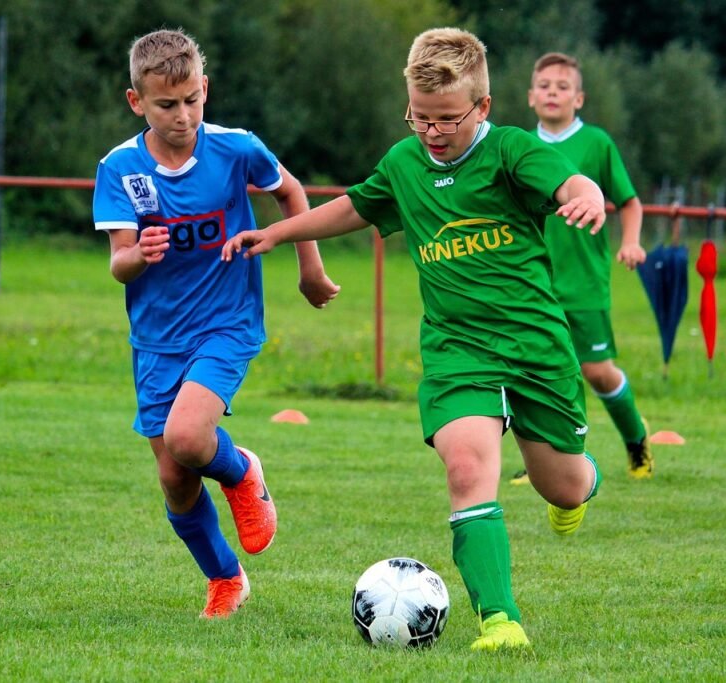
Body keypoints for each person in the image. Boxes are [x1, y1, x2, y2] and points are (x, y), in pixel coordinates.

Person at [223, 27, 603, 651]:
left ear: (482, 108)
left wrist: (585, 197)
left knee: (558, 484)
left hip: (537, 347)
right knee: (465, 467)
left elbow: (570, 183)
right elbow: (356, 206)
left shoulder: (510, 151)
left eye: (447, 119)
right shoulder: (405, 163)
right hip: (458, 351)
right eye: (418, 117)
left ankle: (581, 481)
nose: (431, 131)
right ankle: (500, 621)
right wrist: (281, 233)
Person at [93, 28, 340, 619]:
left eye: (192, 101)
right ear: (137, 102)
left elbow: (292, 192)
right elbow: (118, 265)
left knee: (187, 437)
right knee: (175, 477)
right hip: (156, 337)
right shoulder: (121, 168)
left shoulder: (236, 148)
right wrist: (138, 254)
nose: (182, 116)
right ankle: (226, 579)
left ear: (205, 89)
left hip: (226, 323)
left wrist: (309, 268)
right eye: (166, 105)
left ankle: (242, 471)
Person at [510, 52, 652, 486]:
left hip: (585, 283)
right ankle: (542, 463)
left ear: (580, 98)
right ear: (531, 96)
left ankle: (637, 440)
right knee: (530, 373)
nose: (553, 91)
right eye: (545, 85)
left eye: (563, 85)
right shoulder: (516, 147)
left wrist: (630, 242)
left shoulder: (596, 144)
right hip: (533, 282)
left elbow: (629, 202)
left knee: (596, 372)